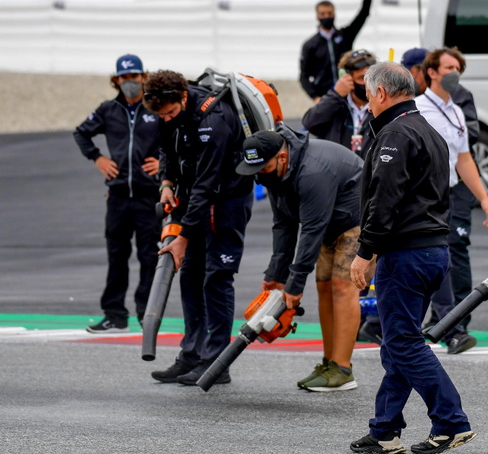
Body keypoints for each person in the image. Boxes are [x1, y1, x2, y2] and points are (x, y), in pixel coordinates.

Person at [349, 61, 476, 454]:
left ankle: (451, 421)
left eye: (368, 95)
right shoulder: (429, 130)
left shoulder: (396, 133)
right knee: (397, 343)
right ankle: (385, 428)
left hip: (406, 253)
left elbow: (385, 200)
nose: (367, 104)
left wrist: (365, 252)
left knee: (402, 343)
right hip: (434, 250)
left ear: (381, 93)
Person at [142, 70, 254, 386]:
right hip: (196, 199)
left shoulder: (213, 118)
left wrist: (182, 235)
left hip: (226, 200)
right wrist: (165, 182)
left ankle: (216, 362)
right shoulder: (168, 112)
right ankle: (190, 354)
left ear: (183, 97)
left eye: (170, 113)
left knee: (216, 277)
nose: (166, 118)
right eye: (161, 115)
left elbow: (207, 183)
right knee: (190, 274)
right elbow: (167, 149)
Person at [235, 126, 365, 392]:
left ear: (282, 157)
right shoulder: (273, 175)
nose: (259, 175)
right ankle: (329, 363)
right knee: (324, 287)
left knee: (342, 286)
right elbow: (283, 224)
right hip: (328, 221)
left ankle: (342, 369)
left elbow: (310, 229)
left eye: (263, 167)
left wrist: (294, 286)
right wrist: (275, 276)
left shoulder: (311, 172)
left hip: (357, 218)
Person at [414, 47, 488, 354]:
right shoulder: (418, 108)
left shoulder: (456, 110)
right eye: (448, 67)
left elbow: (464, 160)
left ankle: (445, 327)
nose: (454, 73)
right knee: (436, 260)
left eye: (458, 67)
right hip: (422, 197)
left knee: (440, 261)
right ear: (431, 72)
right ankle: (451, 329)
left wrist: (484, 197)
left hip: (447, 194)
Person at [74, 54, 161, 334]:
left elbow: (176, 137)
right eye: (124, 78)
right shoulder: (108, 109)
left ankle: (146, 314)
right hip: (119, 195)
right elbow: (81, 133)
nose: (129, 82)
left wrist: (163, 162)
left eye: (134, 77)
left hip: (150, 196)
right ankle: (114, 314)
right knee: (117, 254)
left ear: (143, 77)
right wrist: (97, 158)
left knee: (150, 256)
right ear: (116, 80)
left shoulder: (156, 109)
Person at [299, 0, 372, 102]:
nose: (327, 16)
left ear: (334, 14)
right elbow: (304, 76)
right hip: (324, 96)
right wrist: (315, 97)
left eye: (329, 13)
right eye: (323, 14)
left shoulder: (345, 35)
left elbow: (363, 14)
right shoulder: (310, 45)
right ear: (317, 16)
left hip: (349, 93)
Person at [301, 49, 376, 158]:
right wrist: (335, 95)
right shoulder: (335, 104)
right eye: (362, 78)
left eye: (371, 78)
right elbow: (310, 124)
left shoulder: (381, 106)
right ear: (346, 77)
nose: (367, 83)